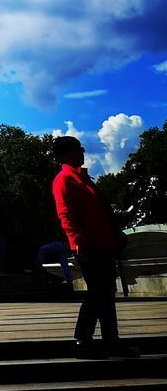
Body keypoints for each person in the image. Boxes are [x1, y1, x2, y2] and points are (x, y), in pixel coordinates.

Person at [52, 136, 137, 358]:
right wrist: (77, 242)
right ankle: (82, 340)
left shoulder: (80, 177)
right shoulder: (65, 179)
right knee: (97, 295)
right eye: (78, 149)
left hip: (103, 244)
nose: (82, 152)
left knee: (106, 295)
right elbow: (66, 214)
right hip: (90, 247)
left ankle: (111, 340)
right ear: (67, 154)